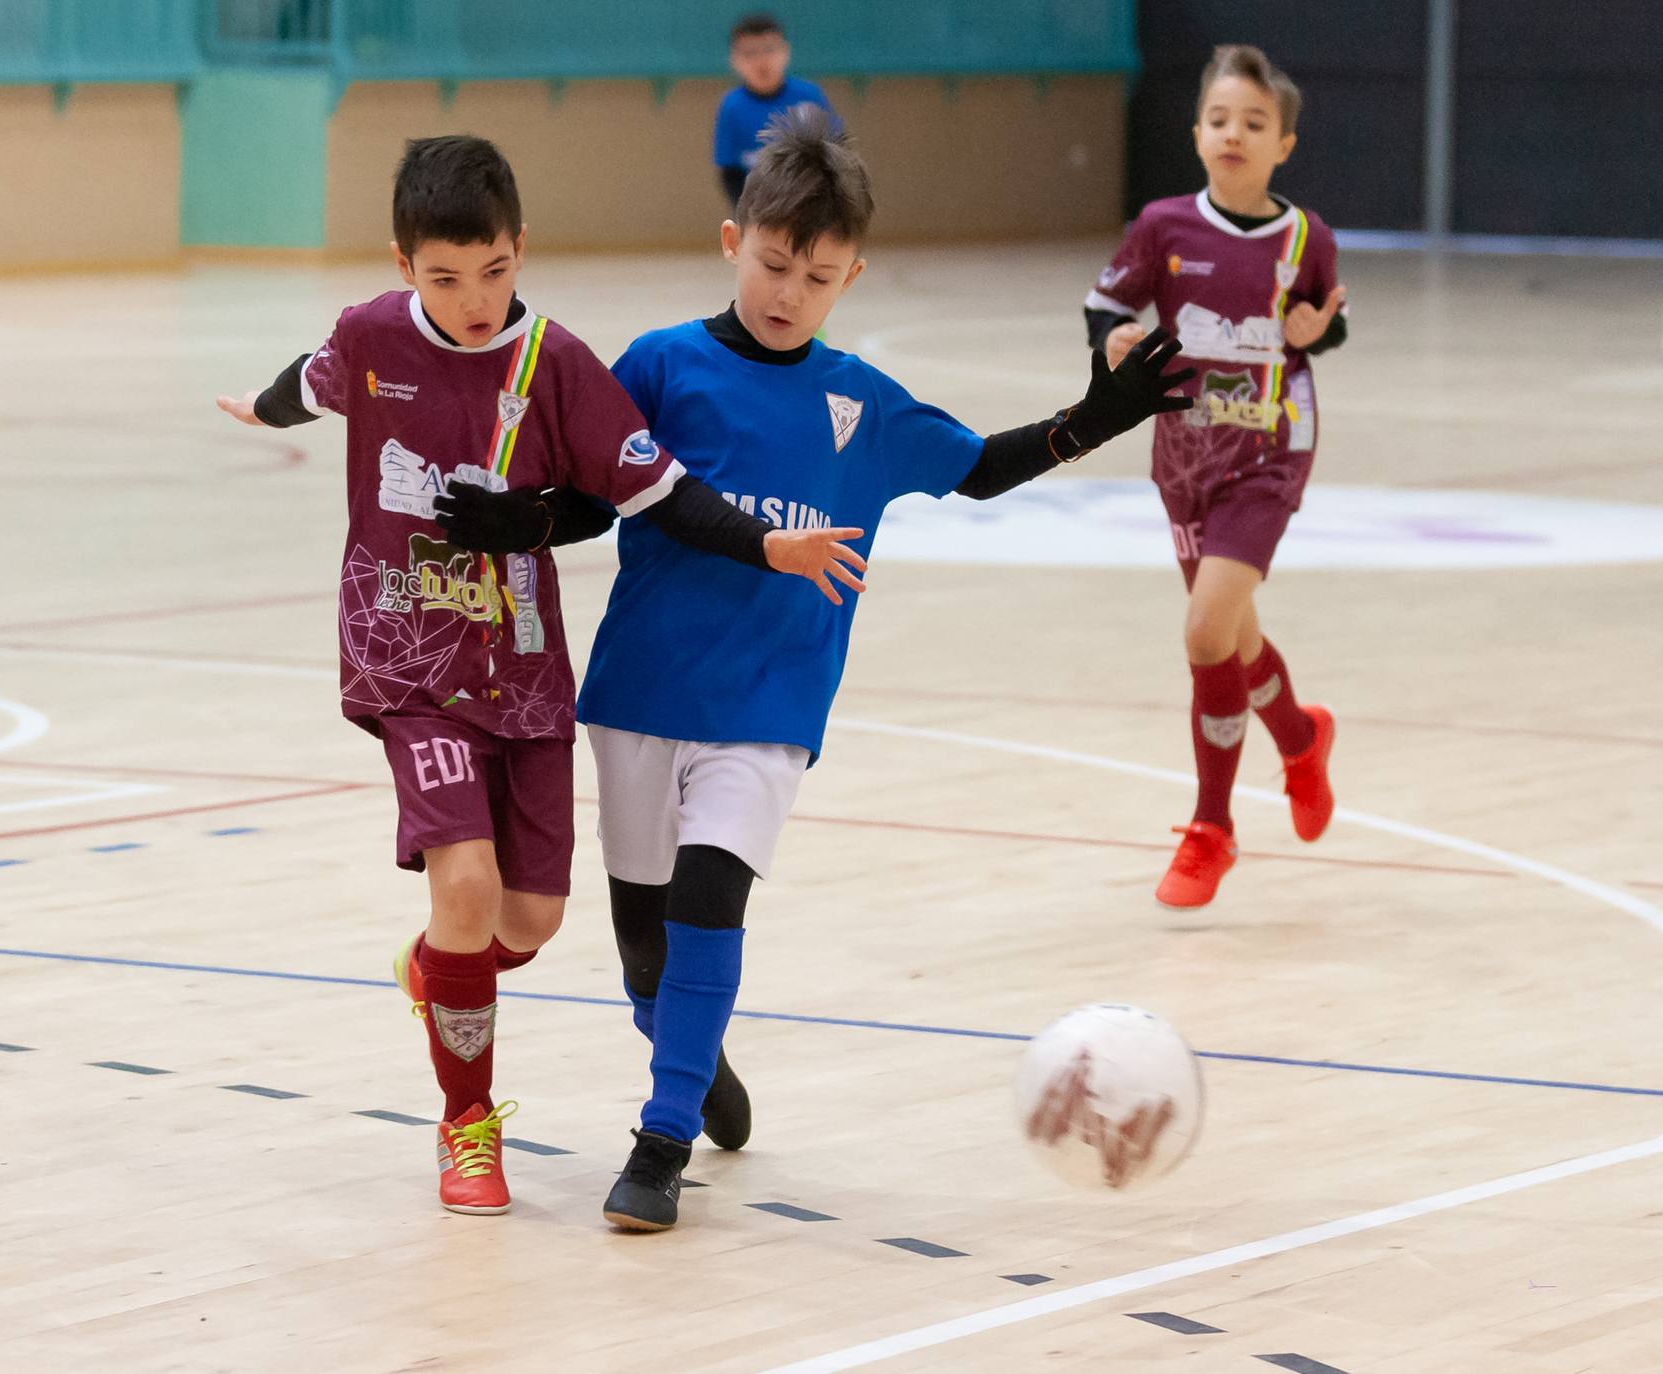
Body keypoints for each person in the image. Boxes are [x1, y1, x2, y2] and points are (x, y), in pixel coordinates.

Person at [439, 108, 1194, 1230]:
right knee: (644, 945)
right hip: (642, 693)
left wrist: (1094, 418)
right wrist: (521, 523)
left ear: (852, 278)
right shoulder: (658, 366)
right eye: (775, 262)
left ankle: (661, 1137)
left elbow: (978, 469)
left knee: (709, 899)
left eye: (820, 275)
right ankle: (694, 1061)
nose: (791, 290)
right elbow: (595, 502)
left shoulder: (863, 405)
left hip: (769, 706)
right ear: (731, 239)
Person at [215, 134, 861, 1218]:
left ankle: (440, 970)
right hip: (404, 661)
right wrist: (259, 405)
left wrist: (765, 543)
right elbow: (310, 384)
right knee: (464, 888)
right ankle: (468, 1127)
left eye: (495, 272)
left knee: (524, 922)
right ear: (402, 261)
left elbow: (661, 492)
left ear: (522, 248)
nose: (472, 299)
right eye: (443, 277)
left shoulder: (556, 366)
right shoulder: (371, 336)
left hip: (519, 672)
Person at [1083, 44, 1346, 911]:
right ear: (1198, 133)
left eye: (1256, 123)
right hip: (1185, 459)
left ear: (1285, 144)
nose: (1236, 133)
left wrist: (1311, 330)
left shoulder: (1307, 237)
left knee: (1203, 633)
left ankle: (1212, 828)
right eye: (1222, 119)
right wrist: (1113, 347)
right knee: (1232, 638)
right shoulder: (1163, 226)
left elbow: (1324, 325)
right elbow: (1107, 307)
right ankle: (1302, 739)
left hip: (1270, 454)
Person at [712, 12, 839, 208]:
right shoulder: (731, 107)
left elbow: (836, 155)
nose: (761, 61)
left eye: (769, 50)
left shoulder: (810, 96)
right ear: (734, 60)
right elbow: (730, 172)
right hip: (760, 208)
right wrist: (749, 215)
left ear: (786, 51)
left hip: (812, 205)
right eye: (750, 53)